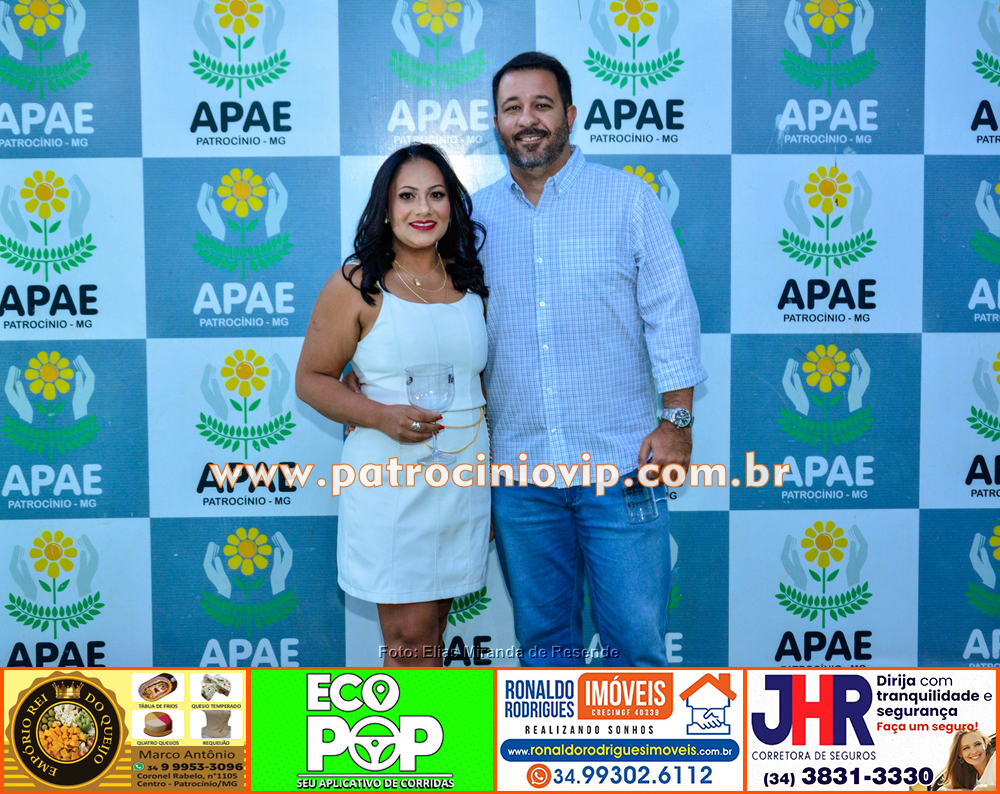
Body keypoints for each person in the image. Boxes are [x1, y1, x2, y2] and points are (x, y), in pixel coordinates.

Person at [473, 51, 706, 666]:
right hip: (520, 477)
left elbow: (672, 314)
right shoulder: (472, 219)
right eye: (512, 107)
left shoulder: (628, 200)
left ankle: (634, 736)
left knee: (636, 645)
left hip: (622, 466)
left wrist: (678, 422)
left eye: (542, 105)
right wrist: (370, 365)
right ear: (496, 123)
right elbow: (432, 311)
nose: (528, 120)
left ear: (570, 115)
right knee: (545, 650)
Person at [295, 144, 490, 667]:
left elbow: (482, 384)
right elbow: (311, 380)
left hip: (464, 479)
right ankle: (409, 722)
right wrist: (380, 416)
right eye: (407, 196)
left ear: (451, 206)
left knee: (433, 633)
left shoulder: (469, 278)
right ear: (385, 208)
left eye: (436, 195)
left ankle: (426, 721)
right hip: (391, 480)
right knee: (409, 641)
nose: (422, 209)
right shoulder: (357, 283)